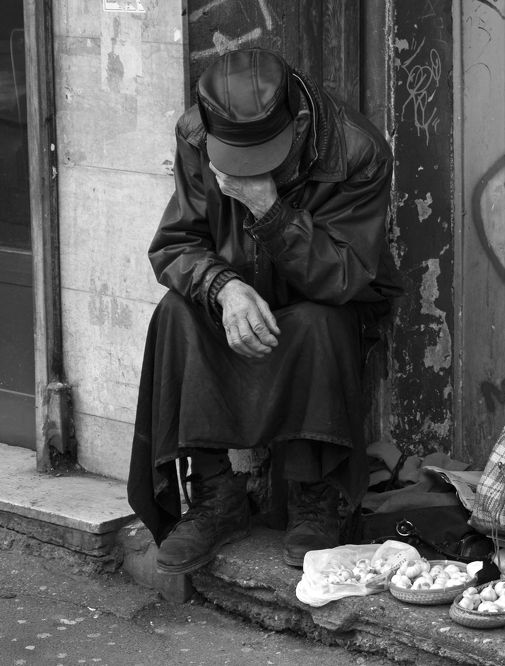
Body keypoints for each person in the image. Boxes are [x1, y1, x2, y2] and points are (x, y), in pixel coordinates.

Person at [127, 48, 402, 573]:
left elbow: (342, 275)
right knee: (175, 314)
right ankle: (216, 499)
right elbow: (176, 245)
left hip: (321, 300)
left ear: (298, 124)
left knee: (323, 320)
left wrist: (267, 208)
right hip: (240, 295)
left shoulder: (357, 148)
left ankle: (313, 498)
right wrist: (222, 286)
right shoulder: (194, 134)